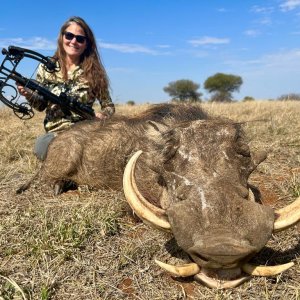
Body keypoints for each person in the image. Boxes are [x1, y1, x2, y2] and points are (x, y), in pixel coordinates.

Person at [17, 16, 115, 160]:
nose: (73, 41)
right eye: (69, 36)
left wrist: (103, 115)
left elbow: (109, 106)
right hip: (56, 133)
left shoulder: (95, 72)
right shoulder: (45, 67)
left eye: (80, 39)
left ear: (87, 44)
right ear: (62, 37)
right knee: (41, 147)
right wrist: (29, 95)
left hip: (85, 132)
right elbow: (41, 105)